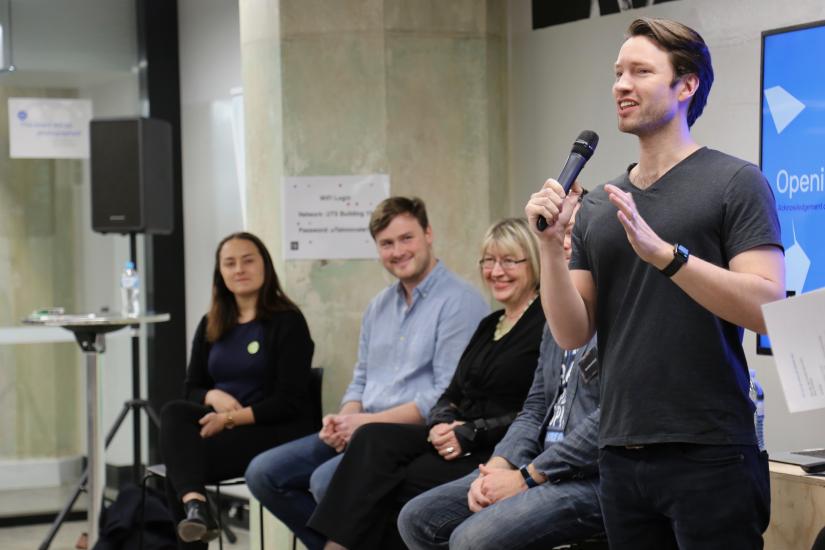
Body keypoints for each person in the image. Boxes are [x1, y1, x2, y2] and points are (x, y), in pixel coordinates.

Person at [525, 17, 784, 549]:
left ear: (686, 85)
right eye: (618, 72)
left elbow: (766, 305)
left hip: (710, 447)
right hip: (620, 451)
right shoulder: (599, 203)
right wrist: (550, 250)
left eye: (641, 71)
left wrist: (666, 256)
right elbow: (574, 332)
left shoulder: (735, 181)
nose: (621, 84)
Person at [245, 196, 489, 550]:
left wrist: (366, 425)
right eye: (386, 243)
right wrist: (344, 420)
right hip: (360, 429)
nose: (398, 251)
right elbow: (360, 376)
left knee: (325, 481)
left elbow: (445, 395)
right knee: (264, 473)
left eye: (407, 238)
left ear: (428, 234)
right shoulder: (379, 305)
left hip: (410, 436)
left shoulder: (459, 302)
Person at [306, 218, 546, 549]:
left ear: (533, 264)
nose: (496, 271)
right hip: (454, 435)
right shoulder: (490, 323)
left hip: (497, 445)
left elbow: (536, 408)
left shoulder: (547, 321)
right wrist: (441, 423)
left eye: (509, 260)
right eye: (488, 261)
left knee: (395, 482)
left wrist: (469, 432)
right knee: (372, 437)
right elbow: (451, 392)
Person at [399, 198, 603, 550]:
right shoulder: (554, 313)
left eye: (573, 233)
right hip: (532, 460)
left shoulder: (619, 312)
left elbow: (608, 421)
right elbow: (536, 405)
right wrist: (497, 465)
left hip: (588, 477)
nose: (565, 243)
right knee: (417, 518)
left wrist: (526, 477)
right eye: (558, 235)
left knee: (470, 539)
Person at [159, 232, 317, 547]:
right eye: (229, 263)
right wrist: (212, 397)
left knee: (179, 467)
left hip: (273, 432)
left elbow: (290, 402)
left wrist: (230, 419)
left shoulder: (288, 322)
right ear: (221, 273)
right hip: (226, 432)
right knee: (174, 415)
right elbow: (191, 388)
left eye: (248, 260)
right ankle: (196, 507)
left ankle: (196, 510)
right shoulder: (212, 323)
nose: (239, 269)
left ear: (265, 267)